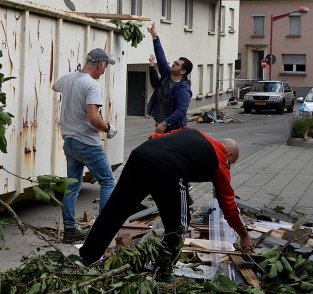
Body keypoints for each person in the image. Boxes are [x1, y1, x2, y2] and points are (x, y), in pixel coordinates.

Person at [76, 129, 255, 274]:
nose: (230, 166)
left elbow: (155, 137)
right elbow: (228, 204)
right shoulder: (220, 160)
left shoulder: (192, 133)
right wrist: (244, 235)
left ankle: (85, 258)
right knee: (178, 226)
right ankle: (164, 272)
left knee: (115, 210)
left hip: (141, 155)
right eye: (232, 162)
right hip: (169, 169)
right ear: (229, 153)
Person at [51, 48, 118, 243]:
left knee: (72, 186)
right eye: (105, 66)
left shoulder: (69, 78)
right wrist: (109, 128)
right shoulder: (92, 85)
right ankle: (103, 231)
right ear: (98, 64)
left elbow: (55, 86)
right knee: (108, 181)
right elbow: (93, 118)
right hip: (87, 142)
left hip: (70, 142)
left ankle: (70, 230)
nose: (104, 71)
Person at [145, 25, 192, 134]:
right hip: (160, 126)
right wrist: (155, 36)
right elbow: (161, 56)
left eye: (177, 64)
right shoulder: (167, 74)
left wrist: (165, 123)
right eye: (174, 62)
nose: (173, 64)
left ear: (183, 71)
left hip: (174, 130)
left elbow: (181, 111)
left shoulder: (183, 90)